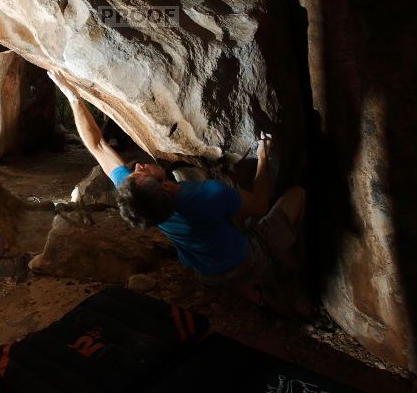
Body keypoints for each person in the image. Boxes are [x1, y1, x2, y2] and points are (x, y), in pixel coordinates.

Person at [48, 70, 310, 315]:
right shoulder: (208, 195)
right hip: (245, 259)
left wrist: (73, 97)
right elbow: (260, 205)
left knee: (222, 219)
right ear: (165, 186)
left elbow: (97, 145)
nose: (138, 166)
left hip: (206, 273)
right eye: (142, 172)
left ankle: (241, 286)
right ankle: (287, 272)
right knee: (296, 195)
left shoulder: (144, 205)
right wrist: (263, 158)